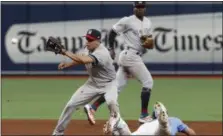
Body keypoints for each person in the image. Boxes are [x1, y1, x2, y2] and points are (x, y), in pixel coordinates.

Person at [84, 1, 154, 124]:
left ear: (145, 8)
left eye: (142, 7)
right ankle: (143, 115)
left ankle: (92, 107)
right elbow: (112, 32)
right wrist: (111, 48)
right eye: (138, 7)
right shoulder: (127, 20)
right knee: (148, 82)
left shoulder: (148, 22)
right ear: (134, 8)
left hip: (131, 56)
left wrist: (148, 44)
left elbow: (149, 43)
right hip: (130, 56)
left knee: (116, 88)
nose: (140, 9)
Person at [52, 29, 123, 135]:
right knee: (71, 104)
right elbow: (80, 59)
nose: (87, 42)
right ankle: (58, 133)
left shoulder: (102, 53)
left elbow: (85, 60)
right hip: (92, 83)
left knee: (112, 104)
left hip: (109, 84)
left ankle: (118, 130)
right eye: (87, 39)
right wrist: (68, 64)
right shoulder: (87, 48)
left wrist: (64, 51)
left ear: (97, 41)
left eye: (90, 40)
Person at [104, 102, 196, 136]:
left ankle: (120, 125)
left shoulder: (146, 123)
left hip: (143, 131)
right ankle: (163, 124)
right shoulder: (175, 120)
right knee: (163, 132)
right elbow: (190, 132)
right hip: (161, 130)